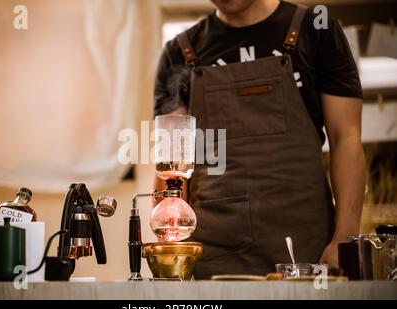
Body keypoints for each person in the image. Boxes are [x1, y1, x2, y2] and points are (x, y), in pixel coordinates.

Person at [153, 0, 366, 279]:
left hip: (305, 249)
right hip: (214, 256)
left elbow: (346, 139)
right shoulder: (178, 52)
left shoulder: (316, 30)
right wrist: (171, 250)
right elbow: (171, 166)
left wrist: (345, 238)